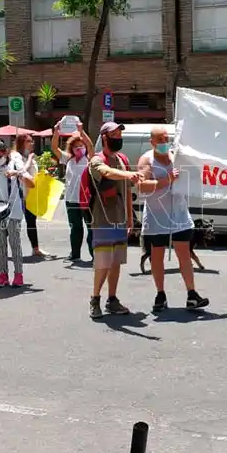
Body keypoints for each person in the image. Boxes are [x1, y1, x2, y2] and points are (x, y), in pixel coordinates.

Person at [137, 126, 209, 312]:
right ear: (152, 142)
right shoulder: (147, 160)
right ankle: (160, 294)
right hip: (156, 216)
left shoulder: (176, 156)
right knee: (157, 256)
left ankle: (192, 294)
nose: (164, 143)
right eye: (160, 140)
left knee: (184, 254)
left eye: (166, 138)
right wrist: (166, 179)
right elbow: (142, 186)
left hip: (178, 213)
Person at [87, 122, 142, 318]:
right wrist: (128, 174)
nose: (118, 137)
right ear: (104, 137)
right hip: (102, 218)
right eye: (114, 134)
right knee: (103, 262)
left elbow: (127, 190)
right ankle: (95, 299)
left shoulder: (122, 159)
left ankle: (112, 299)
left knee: (116, 260)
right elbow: (107, 173)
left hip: (119, 217)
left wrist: (130, 217)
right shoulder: (96, 160)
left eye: (120, 133)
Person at [0, 140, 34, 288]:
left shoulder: (15, 165)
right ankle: (3, 275)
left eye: (1, 154)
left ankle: (18, 275)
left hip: (12, 211)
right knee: (0, 246)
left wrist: (18, 174)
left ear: (6, 152)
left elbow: (31, 183)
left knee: (15, 244)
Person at [50, 120, 95, 262]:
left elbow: (91, 146)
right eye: (76, 147)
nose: (79, 148)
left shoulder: (89, 159)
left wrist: (81, 131)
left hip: (86, 200)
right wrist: (56, 132)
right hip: (71, 199)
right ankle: (75, 254)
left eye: (81, 146)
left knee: (91, 228)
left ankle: (95, 255)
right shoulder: (68, 159)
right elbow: (54, 148)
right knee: (75, 228)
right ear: (71, 148)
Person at [13, 133, 46, 257]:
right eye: (29, 141)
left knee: (31, 222)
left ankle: (36, 249)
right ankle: (2, 245)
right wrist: (31, 159)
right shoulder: (17, 157)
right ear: (22, 143)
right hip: (19, 195)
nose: (32, 143)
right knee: (14, 222)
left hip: (31, 195)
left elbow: (33, 173)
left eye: (32, 141)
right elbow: (22, 171)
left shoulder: (29, 156)